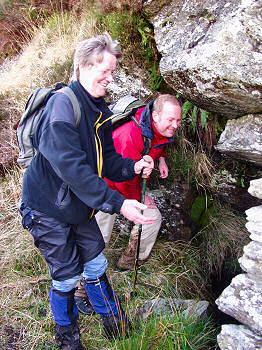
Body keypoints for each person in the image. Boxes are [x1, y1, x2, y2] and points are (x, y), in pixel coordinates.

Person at [19, 32, 155, 350]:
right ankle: (68, 339)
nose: (109, 78)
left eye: (112, 72)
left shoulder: (98, 109)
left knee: (95, 264)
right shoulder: (61, 108)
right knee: (66, 277)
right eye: (104, 71)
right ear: (82, 65)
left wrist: (132, 167)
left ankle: (114, 323)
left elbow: (105, 158)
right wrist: (118, 203)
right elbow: (75, 170)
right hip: (47, 207)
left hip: (76, 204)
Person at [75, 94, 182, 314]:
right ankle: (79, 289)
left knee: (151, 219)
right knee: (97, 240)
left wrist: (161, 158)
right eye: (171, 120)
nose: (175, 125)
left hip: (124, 186)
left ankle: (129, 261)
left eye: (178, 121)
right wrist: (140, 199)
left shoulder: (156, 128)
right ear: (155, 115)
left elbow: (158, 143)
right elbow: (118, 177)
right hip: (103, 187)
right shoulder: (129, 134)